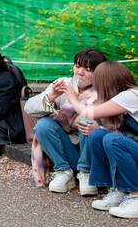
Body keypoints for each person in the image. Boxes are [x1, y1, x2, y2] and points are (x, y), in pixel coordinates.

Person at [26, 48, 106, 194]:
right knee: (43, 125)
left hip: (93, 155)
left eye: (87, 69)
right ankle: (63, 171)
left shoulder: (105, 91)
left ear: (99, 72)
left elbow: (116, 127)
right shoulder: (64, 84)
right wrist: (51, 95)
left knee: (87, 122)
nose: (80, 72)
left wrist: (97, 128)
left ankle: (86, 173)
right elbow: (29, 108)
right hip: (67, 149)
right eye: (77, 66)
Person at [71, 62, 138, 218]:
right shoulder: (118, 98)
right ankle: (119, 189)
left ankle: (135, 195)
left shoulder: (131, 95)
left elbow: (87, 113)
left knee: (112, 140)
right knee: (98, 135)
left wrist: (71, 96)